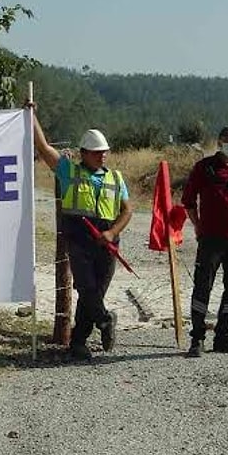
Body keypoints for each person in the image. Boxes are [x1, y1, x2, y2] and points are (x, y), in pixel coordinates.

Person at [30, 108, 134, 360]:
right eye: (97, 152)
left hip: (108, 243)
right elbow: (43, 147)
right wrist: (32, 114)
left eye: (105, 152)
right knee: (87, 288)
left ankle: (78, 342)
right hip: (79, 241)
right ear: (83, 153)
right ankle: (106, 319)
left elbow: (128, 210)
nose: (102, 156)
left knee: (95, 293)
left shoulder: (116, 178)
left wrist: (112, 232)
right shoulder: (68, 171)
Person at [181, 126, 228, 358]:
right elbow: (188, 201)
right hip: (211, 238)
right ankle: (197, 338)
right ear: (219, 142)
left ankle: (224, 336)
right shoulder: (204, 167)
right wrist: (198, 225)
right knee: (203, 286)